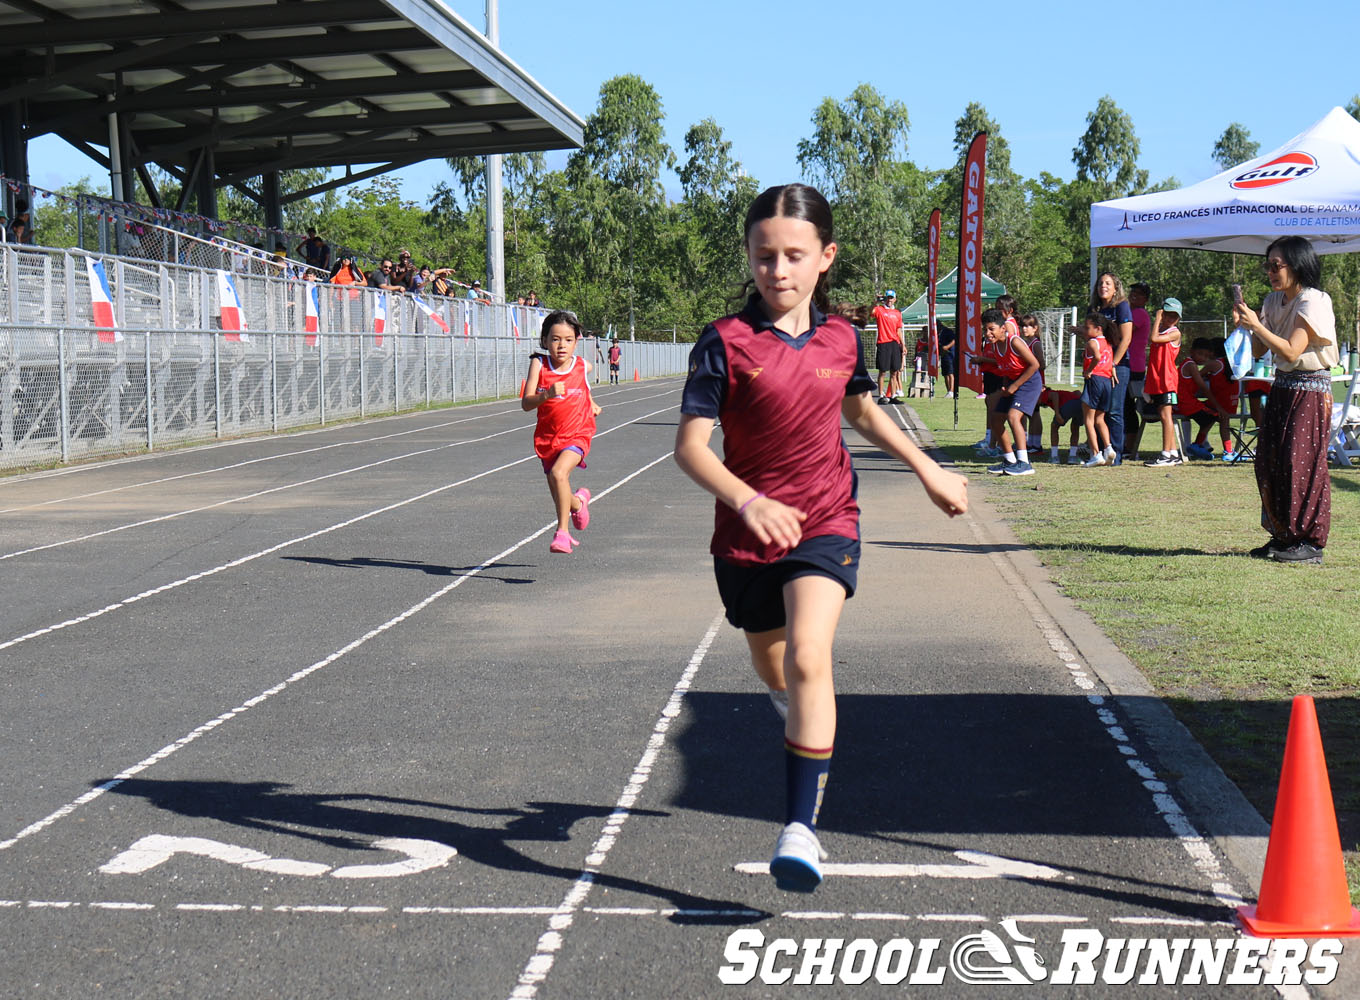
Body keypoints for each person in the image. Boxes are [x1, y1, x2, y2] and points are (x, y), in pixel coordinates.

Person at [673, 183, 968, 893]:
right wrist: (747, 501)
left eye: (794, 256)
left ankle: (800, 828)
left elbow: (862, 411)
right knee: (778, 670)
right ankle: (799, 715)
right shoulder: (724, 342)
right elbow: (689, 448)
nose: (778, 270)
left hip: (827, 521)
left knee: (811, 656)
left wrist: (928, 468)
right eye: (764, 255)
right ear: (749, 257)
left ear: (825, 258)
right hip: (744, 539)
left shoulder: (844, 338)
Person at [1232, 235, 1339, 564]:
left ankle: (1309, 542)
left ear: (1297, 265)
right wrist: (1248, 324)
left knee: (1299, 463)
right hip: (1283, 386)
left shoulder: (1313, 301)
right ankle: (1284, 535)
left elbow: (1292, 350)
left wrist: (1256, 325)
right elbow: (1261, 350)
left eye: (1276, 265)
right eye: (1268, 265)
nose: (1270, 272)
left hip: (1310, 389)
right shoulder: (1273, 300)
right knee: (1270, 461)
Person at [522, 310, 601, 554]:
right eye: (555, 339)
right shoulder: (539, 364)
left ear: (576, 341)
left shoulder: (581, 365)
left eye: (568, 340)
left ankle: (562, 534)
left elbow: (582, 385)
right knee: (561, 495)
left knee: (559, 473)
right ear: (545, 340)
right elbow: (526, 403)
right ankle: (579, 503)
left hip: (577, 433)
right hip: (548, 438)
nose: (561, 345)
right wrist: (546, 395)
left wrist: (591, 403)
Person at [980, 308, 1041, 476]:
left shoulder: (1014, 342)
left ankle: (1024, 462)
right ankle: (1010, 459)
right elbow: (1006, 368)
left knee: (1014, 417)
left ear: (1003, 329)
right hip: (1013, 383)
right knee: (996, 419)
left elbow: (1034, 365)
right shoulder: (995, 346)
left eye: (991, 329)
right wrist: (1007, 385)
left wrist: (1015, 386)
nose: (987, 333)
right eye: (985, 329)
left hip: (1029, 382)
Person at [1091, 273, 1133, 464]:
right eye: (1100, 283)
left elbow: (1126, 339)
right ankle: (1100, 453)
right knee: (1099, 411)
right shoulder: (1095, 309)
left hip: (1119, 366)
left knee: (1115, 411)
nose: (1103, 286)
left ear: (1116, 288)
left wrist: (1113, 363)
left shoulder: (1122, 307)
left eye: (1108, 283)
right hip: (1098, 367)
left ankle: (1116, 455)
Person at [1142, 297, 1184, 467]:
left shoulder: (1175, 332)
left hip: (1168, 381)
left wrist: (1157, 318)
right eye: (1167, 315)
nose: (1170, 319)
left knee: (1166, 416)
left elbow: (1154, 339)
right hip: (1158, 380)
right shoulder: (1162, 331)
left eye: (1174, 316)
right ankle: (1173, 452)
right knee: (1163, 415)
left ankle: (1166, 454)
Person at [1079, 313, 1117, 467]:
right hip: (1106, 382)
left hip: (1094, 380)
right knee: (1100, 419)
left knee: (1088, 419)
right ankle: (1108, 448)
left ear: (1098, 329)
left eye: (1088, 328)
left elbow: (1096, 357)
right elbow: (1109, 361)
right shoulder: (1108, 343)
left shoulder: (1092, 342)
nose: (1085, 330)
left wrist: (1089, 370)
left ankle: (1096, 454)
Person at [1123, 282, 1152, 457]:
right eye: (1132, 291)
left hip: (1133, 366)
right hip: (1130, 364)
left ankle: (1130, 447)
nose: (1134, 295)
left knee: (1127, 407)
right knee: (1124, 406)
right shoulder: (1131, 312)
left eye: (1139, 293)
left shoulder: (1139, 314)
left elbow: (1124, 331)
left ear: (1145, 299)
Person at [871, 290, 905, 402]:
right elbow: (870, 311)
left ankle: (893, 395)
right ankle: (881, 395)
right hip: (883, 343)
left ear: (895, 299)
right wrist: (875, 300)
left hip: (894, 343)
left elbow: (898, 330)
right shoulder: (879, 310)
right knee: (883, 370)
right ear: (885, 298)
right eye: (888, 298)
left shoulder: (897, 313)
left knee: (895, 371)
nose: (889, 300)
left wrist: (903, 345)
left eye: (892, 298)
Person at [1040, 386, 1086, 464]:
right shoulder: (1062, 392)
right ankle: (1073, 456)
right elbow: (1077, 392)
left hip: (1069, 404)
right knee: (1075, 427)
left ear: (1043, 388)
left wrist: (1057, 414)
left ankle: (1054, 457)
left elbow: (1054, 395)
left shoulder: (1044, 393)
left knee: (1054, 426)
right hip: (1080, 404)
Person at [936, 321, 957, 398]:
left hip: (950, 354)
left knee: (950, 373)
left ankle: (952, 390)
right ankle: (948, 391)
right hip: (943, 355)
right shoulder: (937, 334)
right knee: (945, 373)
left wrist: (947, 347)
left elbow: (954, 340)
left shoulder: (947, 331)